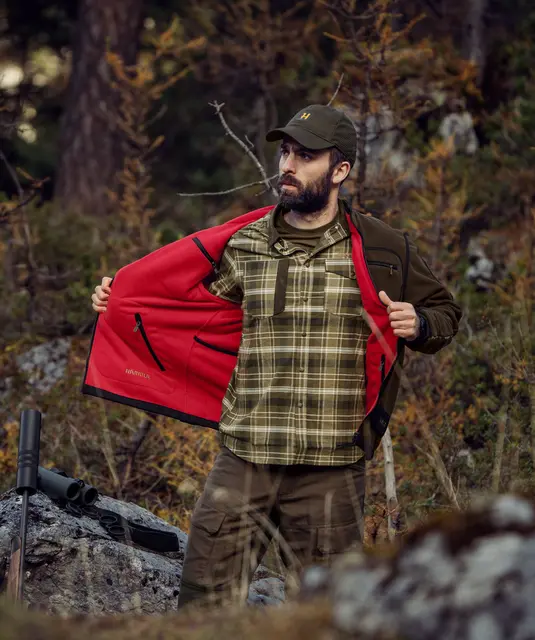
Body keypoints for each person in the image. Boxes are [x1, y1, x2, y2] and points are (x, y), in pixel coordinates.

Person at [90, 104, 462, 608]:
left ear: (340, 171)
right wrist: (121, 302)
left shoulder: (383, 249)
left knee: (327, 617)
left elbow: (444, 312)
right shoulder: (246, 242)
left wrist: (418, 324)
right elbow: (187, 308)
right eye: (286, 151)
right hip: (244, 460)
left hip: (331, 469)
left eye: (305, 155)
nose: (288, 164)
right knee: (202, 608)